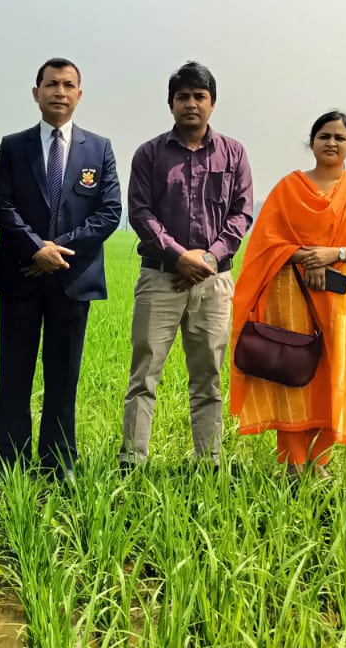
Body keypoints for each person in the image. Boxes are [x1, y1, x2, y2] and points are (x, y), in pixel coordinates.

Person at [229, 111, 346, 478]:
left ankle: (319, 462)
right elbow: (266, 241)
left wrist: (334, 253)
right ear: (312, 142)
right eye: (324, 136)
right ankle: (293, 463)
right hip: (292, 299)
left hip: (345, 304)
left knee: (334, 378)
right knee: (293, 373)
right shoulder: (289, 189)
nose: (331, 143)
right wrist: (307, 257)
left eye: (339, 137)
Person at [0, 58, 122, 482]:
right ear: (36, 93)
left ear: (79, 94)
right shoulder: (14, 146)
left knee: (64, 376)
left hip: (72, 279)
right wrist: (34, 248)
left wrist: (55, 250)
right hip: (20, 275)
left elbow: (109, 212)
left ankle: (58, 463)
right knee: (14, 373)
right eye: (51, 84)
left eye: (67, 85)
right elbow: (1, 206)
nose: (59, 92)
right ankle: (11, 462)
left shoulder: (99, 148)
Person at [118, 62, 253, 471]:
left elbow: (241, 214)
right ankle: (132, 461)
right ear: (171, 103)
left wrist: (208, 258)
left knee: (208, 376)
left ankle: (208, 462)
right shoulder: (149, 154)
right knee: (144, 374)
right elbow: (140, 213)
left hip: (214, 282)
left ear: (212, 103)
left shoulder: (233, 153)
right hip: (161, 278)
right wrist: (179, 256)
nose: (191, 104)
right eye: (183, 97)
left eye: (199, 96)